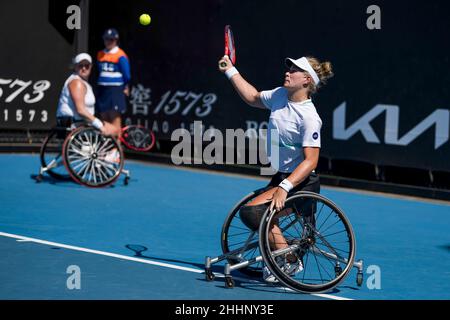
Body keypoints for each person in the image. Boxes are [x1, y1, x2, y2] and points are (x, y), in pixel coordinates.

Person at [218, 54, 334, 282]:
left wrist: (285, 187)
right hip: (282, 177)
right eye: (289, 68)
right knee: (258, 212)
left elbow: (311, 160)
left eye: (295, 70)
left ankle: (289, 261)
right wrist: (230, 70)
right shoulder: (280, 95)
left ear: (307, 80)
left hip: (302, 184)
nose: (288, 72)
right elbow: (252, 97)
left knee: (254, 212)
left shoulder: (310, 117)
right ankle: (280, 252)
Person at [56, 52, 117, 136]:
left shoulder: (83, 82)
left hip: (81, 122)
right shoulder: (77, 83)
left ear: (91, 67)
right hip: (74, 124)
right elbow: (81, 110)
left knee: (115, 130)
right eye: (80, 65)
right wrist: (99, 125)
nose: (84, 68)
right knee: (114, 131)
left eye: (87, 66)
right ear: (75, 67)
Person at [96, 28, 131, 138]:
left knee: (115, 120)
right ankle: (106, 149)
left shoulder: (121, 55)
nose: (108, 42)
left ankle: (116, 150)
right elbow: (99, 70)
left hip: (115, 90)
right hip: (103, 90)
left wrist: (125, 86)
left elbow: (127, 75)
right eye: (106, 39)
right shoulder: (100, 54)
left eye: (111, 40)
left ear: (116, 40)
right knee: (104, 120)